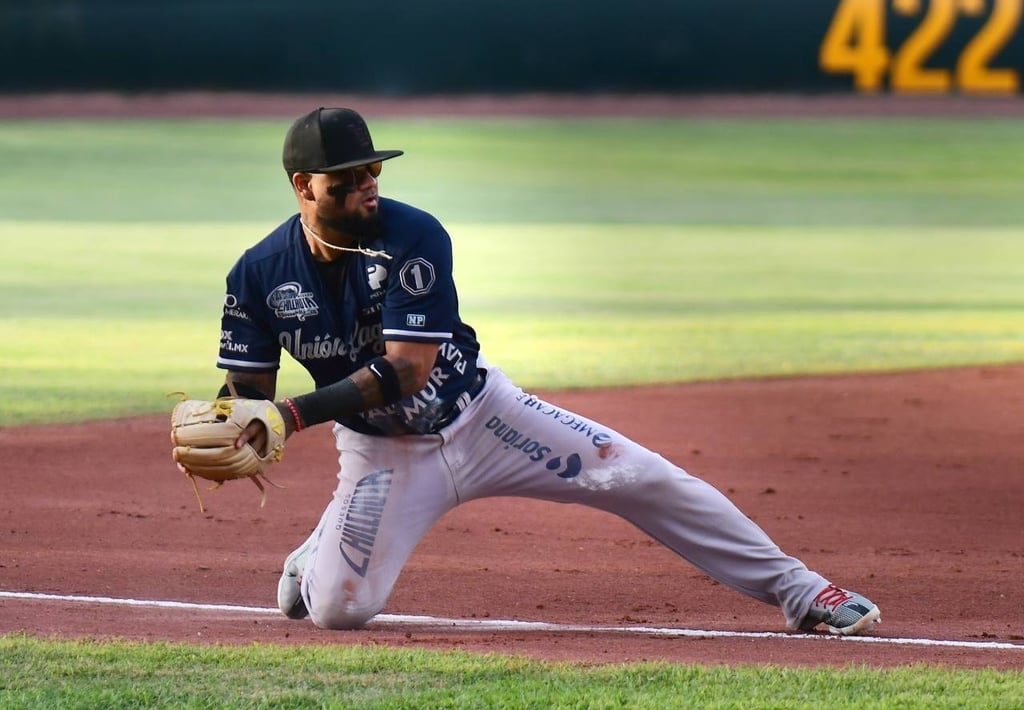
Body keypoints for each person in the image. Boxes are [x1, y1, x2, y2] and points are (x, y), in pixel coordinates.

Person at [210, 106, 881, 636]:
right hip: (381, 457)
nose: (368, 186)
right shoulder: (258, 273)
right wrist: (226, 418)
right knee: (338, 610)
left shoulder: (413, 235)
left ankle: (801, 590)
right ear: (304, 187)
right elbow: (246, 392)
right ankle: (317, 556)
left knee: (634, 472)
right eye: (348, 178)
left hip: (483, 418)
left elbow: (407, 371)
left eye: (372, 171)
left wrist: (290, 415)